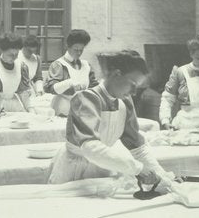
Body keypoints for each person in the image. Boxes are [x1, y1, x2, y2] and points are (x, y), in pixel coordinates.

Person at [48, 50, 175, 189]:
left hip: (104, 166)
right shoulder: (86, 99)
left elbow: (137, 147)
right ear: (116, 74)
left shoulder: (124, 102)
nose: (133, 92)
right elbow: (90, 148)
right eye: (132, 84)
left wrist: (161, 175)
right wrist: (138, 169)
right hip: (74, 170)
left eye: (137, 88)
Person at [44, 29, 98, 117]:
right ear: (67, 46)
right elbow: (52, 88)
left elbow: (94, 86)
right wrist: (69, 83)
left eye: (81, 50)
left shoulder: (86, 65)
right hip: (63, 109)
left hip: (82, 109)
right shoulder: (59, 65)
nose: (79, 53)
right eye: (76, 49)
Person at [0, 33, 32, 113]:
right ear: (2, 51)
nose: (14, 58)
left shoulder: (21, 66)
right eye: (10, 55)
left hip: (15, 104)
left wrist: (30, 108)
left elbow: (23, 92)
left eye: (16, 54)